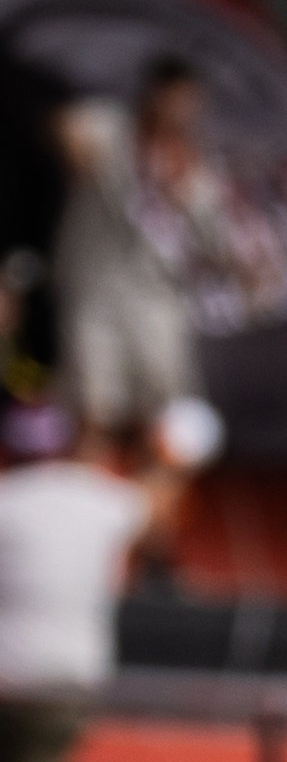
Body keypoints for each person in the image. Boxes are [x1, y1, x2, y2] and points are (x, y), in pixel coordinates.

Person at [0, 406, 177, 762]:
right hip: (67, 682)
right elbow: (158, 510)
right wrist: (168, 450)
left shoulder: (8, 499)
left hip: (8, 674)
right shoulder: (101, 500)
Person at [51, 61, 241, 467]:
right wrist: (75, 147)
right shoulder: (113, 130)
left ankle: (149, 503)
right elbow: (66, 126)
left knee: (164, 410)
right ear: (154, 93)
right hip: (96, 288)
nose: (181, 110)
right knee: (92, 406)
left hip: (156, 297)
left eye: (190, 102)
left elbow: (214, 239)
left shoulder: (195, 166)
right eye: (174, 98)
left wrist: (235, 264)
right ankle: (86, 502)